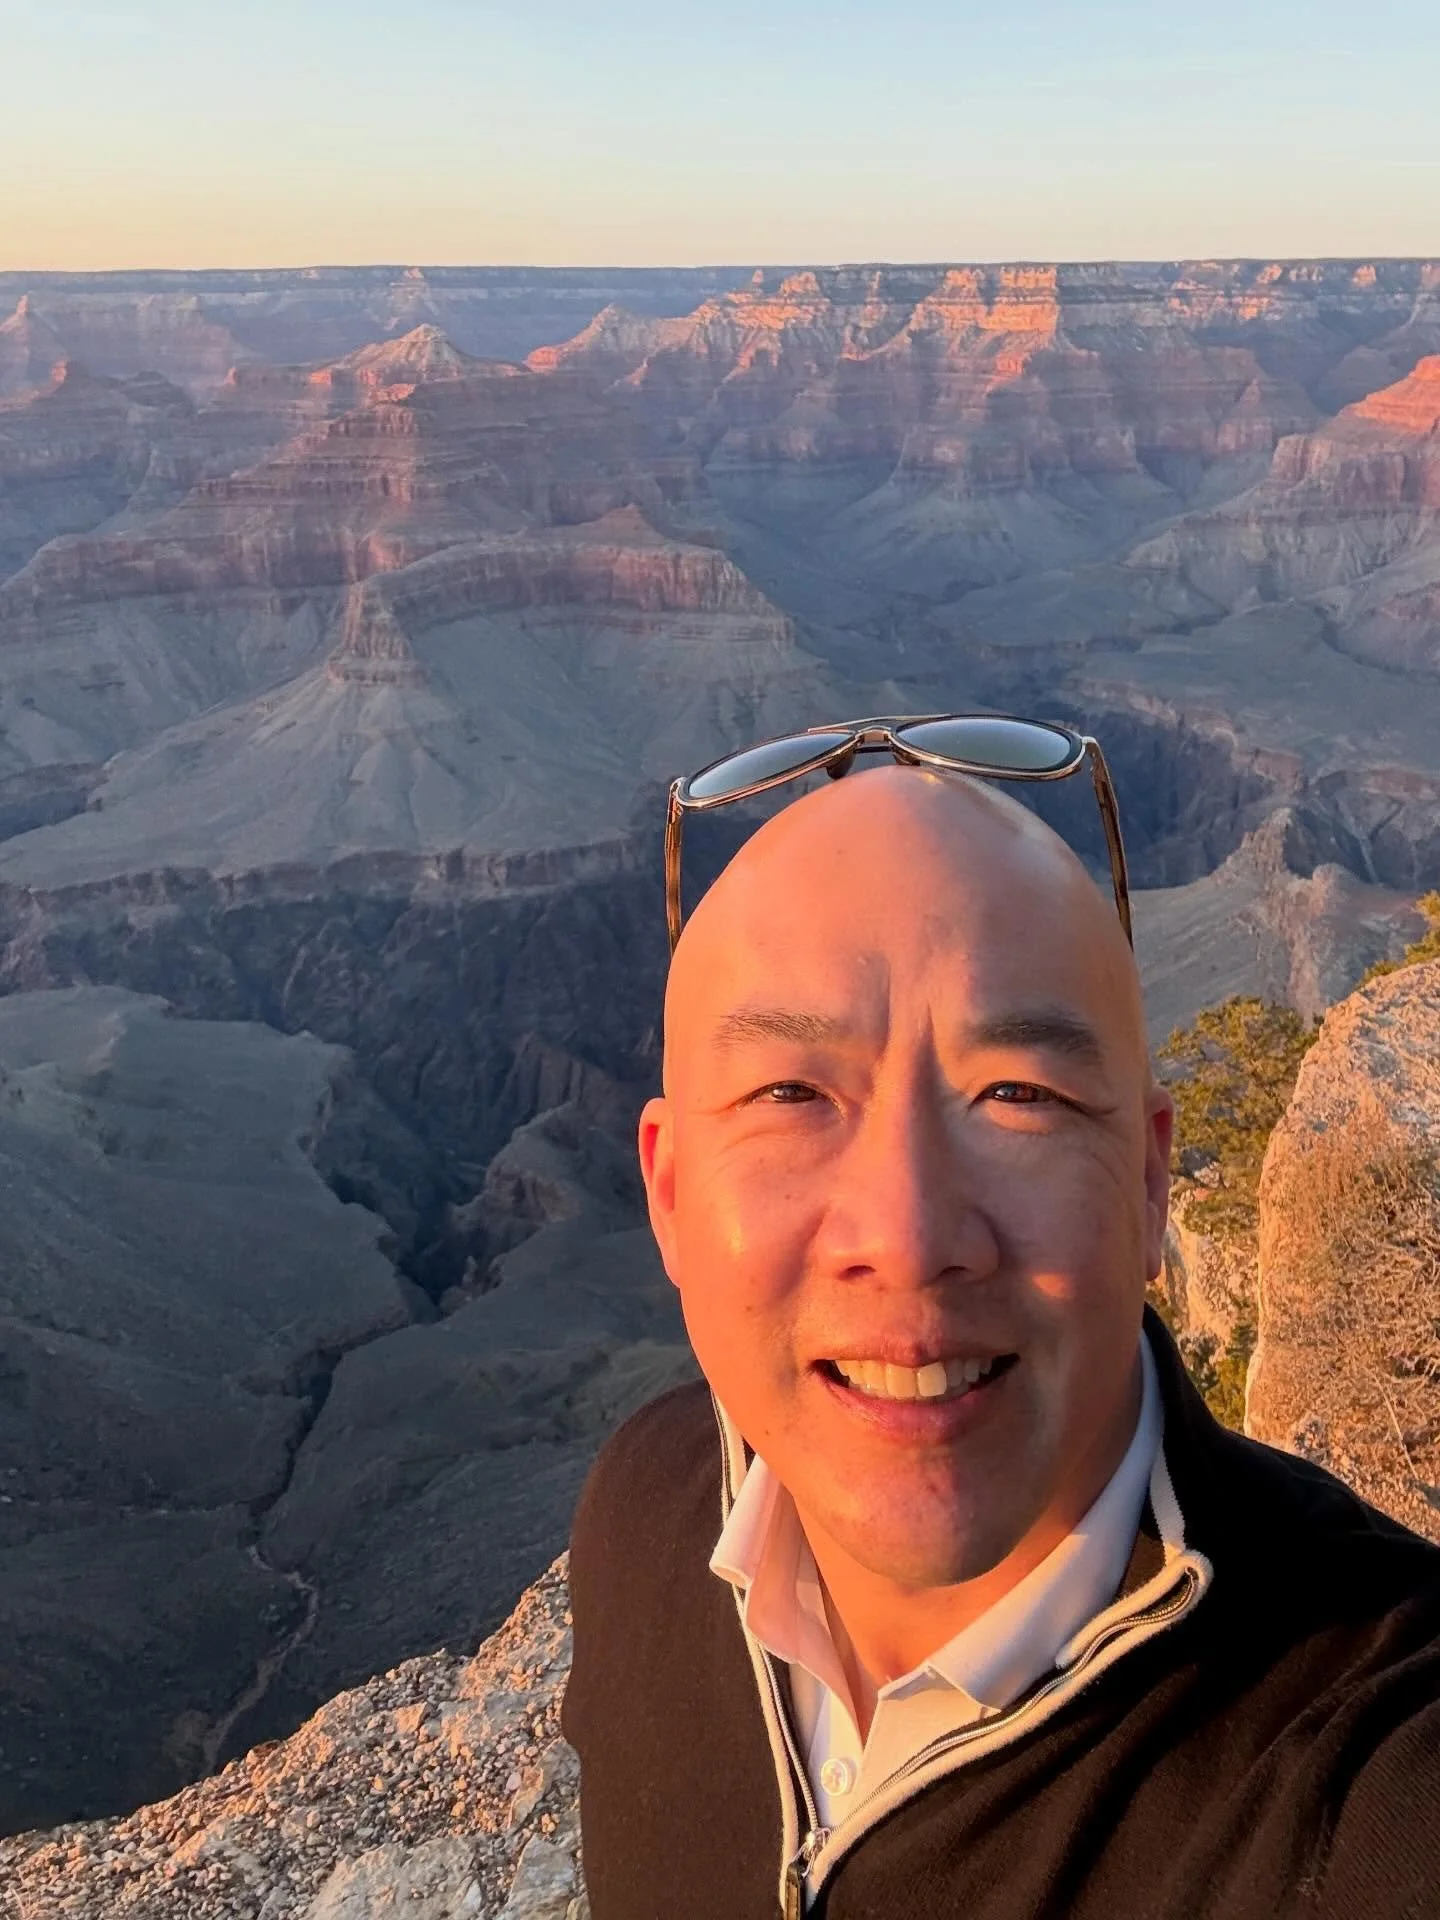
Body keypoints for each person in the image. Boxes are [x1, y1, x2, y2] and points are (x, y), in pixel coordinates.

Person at [561, 733, 1440, 1920]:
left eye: (1017, 1096)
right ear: (668, 1194)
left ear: (1146, 1188)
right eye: (791, 1096)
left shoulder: (1370, 1765)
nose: (910, 1233)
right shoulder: (644, 1516)